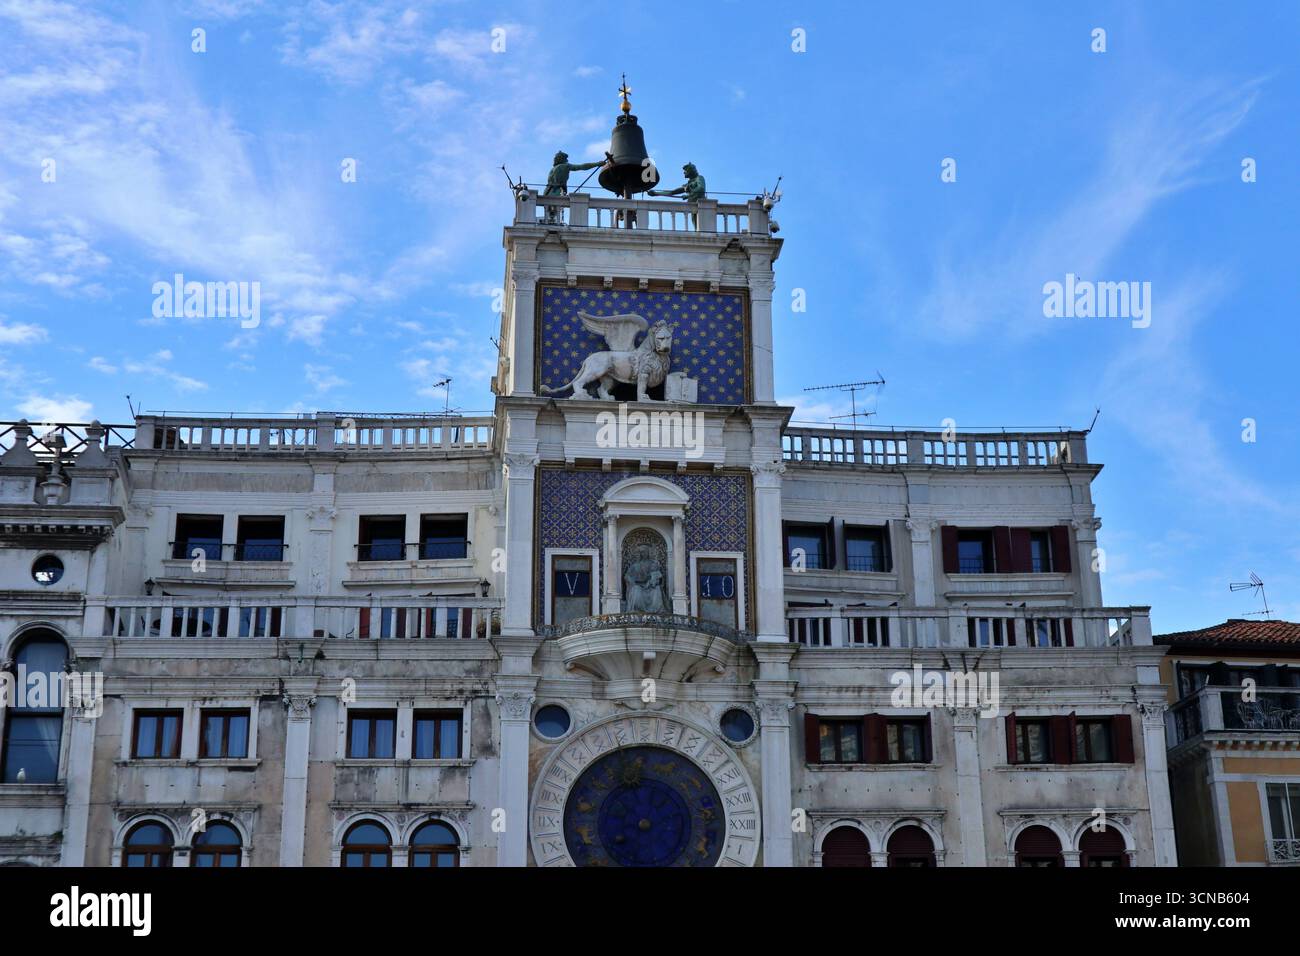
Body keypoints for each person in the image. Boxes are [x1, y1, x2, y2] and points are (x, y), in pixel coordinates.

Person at [543, 150, 609, 223]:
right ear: (562, 159)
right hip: (556, 191)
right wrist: (597, 164)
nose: (567, 160)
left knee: (550, 214)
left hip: (547, 192)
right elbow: (582, 167)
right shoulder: (565, 166)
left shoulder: (553, 169)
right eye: (566, 158)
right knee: (553, 215)